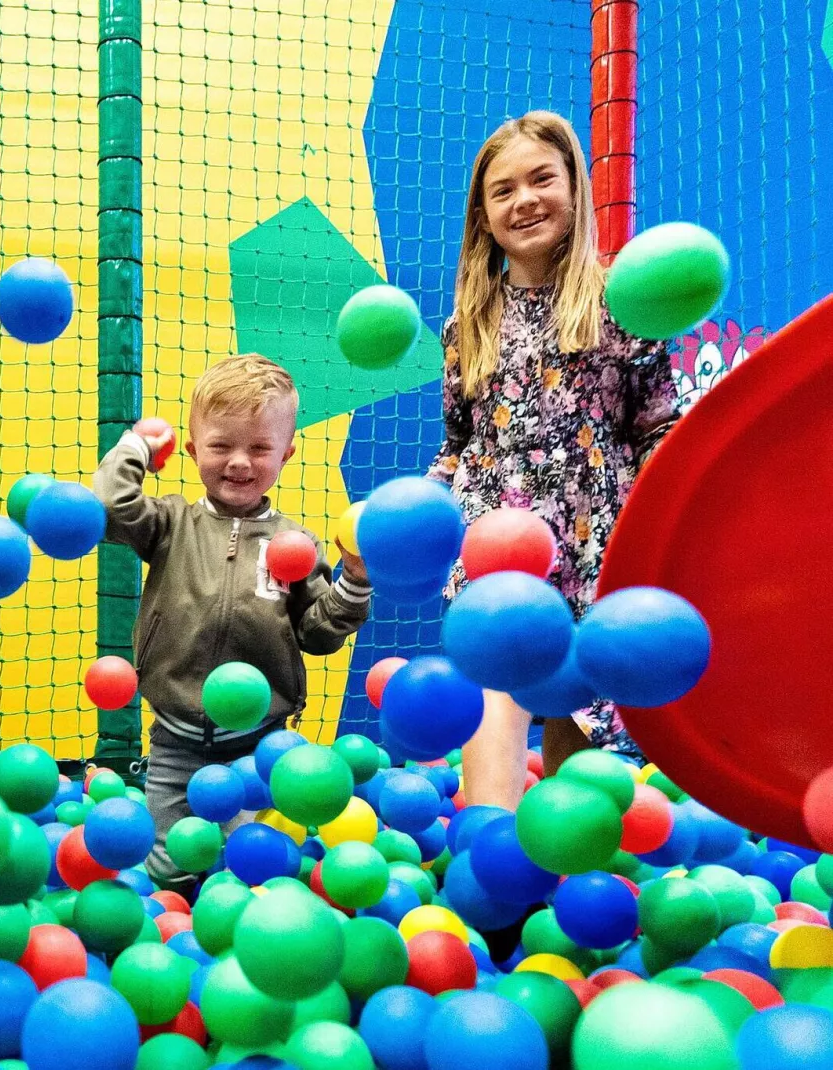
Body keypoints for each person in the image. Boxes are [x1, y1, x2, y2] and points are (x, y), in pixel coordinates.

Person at [429, 110, 680, 810]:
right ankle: (490, 838)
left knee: (580, 693)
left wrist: (663, 520)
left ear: (576, 187)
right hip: (495, 527)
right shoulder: (468, 324)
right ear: (483, 217)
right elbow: (459, 440)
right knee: (497, 675)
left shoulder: (618, 305)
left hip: (589, 525)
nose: (525, 200)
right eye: (503, 191)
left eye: (543, 178)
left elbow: (657, 422)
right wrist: (422, 508)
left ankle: (577, 849)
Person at [94, 354, 373, 894]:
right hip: (175, 738)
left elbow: (318, 634)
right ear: (195, 450)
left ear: (287, 453)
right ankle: (177, 933)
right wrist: (136, 448)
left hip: (260, 743)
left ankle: (247, 940)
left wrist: (354, 579)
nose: (240, 462)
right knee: (171, 862)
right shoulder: (172, 523)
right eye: (221, 446)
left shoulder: (294, 544)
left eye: (260, 448)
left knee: (253, 866)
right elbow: (111, 505)